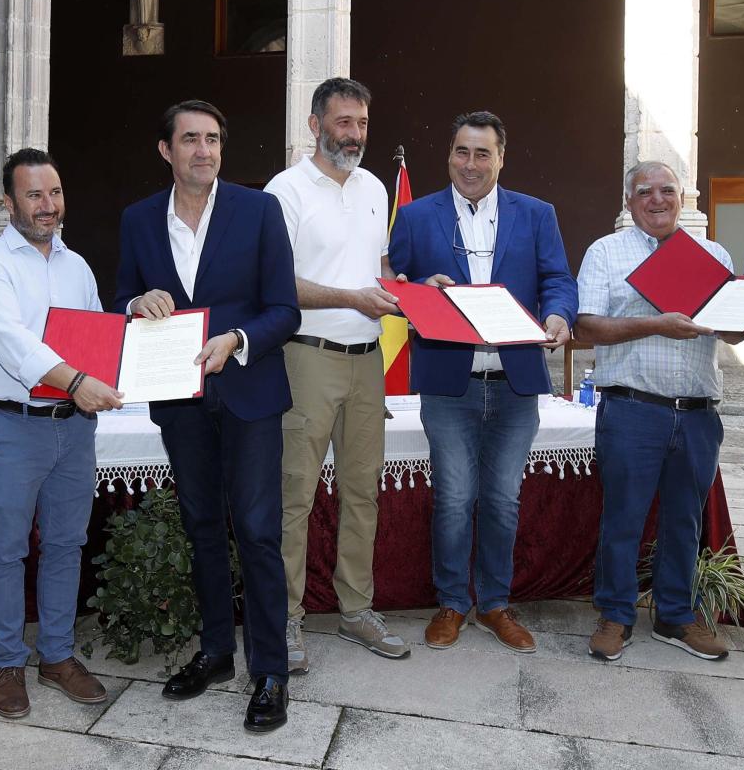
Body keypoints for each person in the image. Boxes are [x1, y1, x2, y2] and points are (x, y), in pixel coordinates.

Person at [116, 100, 299, 733]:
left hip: (249, 392)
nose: (204, 150)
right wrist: (138, 302)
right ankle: (218, 652)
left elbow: (284, 310)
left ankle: (270, 671)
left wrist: (239, 340)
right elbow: (120, 300)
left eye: (213, 139)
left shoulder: (259, 210)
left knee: (256, 531)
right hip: (180, 400)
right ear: (165, 150)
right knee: (200, 525)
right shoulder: (139, 220)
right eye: (190, 139)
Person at [387, 110, 576, 653]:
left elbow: (558, 280)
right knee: (453, 498)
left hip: (516, 382)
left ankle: (493, 604)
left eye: (482, 153)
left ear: (501, 158)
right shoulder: (417, 216)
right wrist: (422, 285)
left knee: (501, 500)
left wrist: (560, 315)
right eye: (461, 152)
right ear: (449, 155)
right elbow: (397, 285)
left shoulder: (536, 214)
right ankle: (451, 603)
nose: (471, 164)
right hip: (450, 384)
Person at [0, 148, 123, 720]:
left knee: (65, 544)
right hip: (13, 426)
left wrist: (136, 322)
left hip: (73, 428)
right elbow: (15, 347)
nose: (47, 206)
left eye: (54, 193)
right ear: (9, 203)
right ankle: (9, 661)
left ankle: (57, 656)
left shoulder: (76, 266)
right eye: (34, 195)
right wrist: (80, 379)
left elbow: (95, 334)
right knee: (6, 549)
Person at [265, 77, 408, 671]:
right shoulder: (285, 191)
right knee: (293, 495)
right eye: (344, 122)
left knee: (362, 493)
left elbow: (380, 269)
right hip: (306, 356)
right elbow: (276, 284)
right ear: (315, 125)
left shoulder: (375, 188)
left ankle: (355, 611)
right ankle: (287, 621)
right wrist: (353, 298)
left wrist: (416, 294)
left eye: (363, 123)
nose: (355, 134)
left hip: (366, 360)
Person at [576, 161, 735, 664]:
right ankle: (616, 615)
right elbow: (587, 326)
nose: (658, 199)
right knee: (622, 518)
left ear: (683, 197)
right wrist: (655, 325)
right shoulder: (606, 252)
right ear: (629, 201)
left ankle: (674, 615)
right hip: (632, 408)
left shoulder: (712, 255)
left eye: (668, 190)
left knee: (684, 520)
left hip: (696, 412)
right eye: (645, 192)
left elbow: (730, 327)